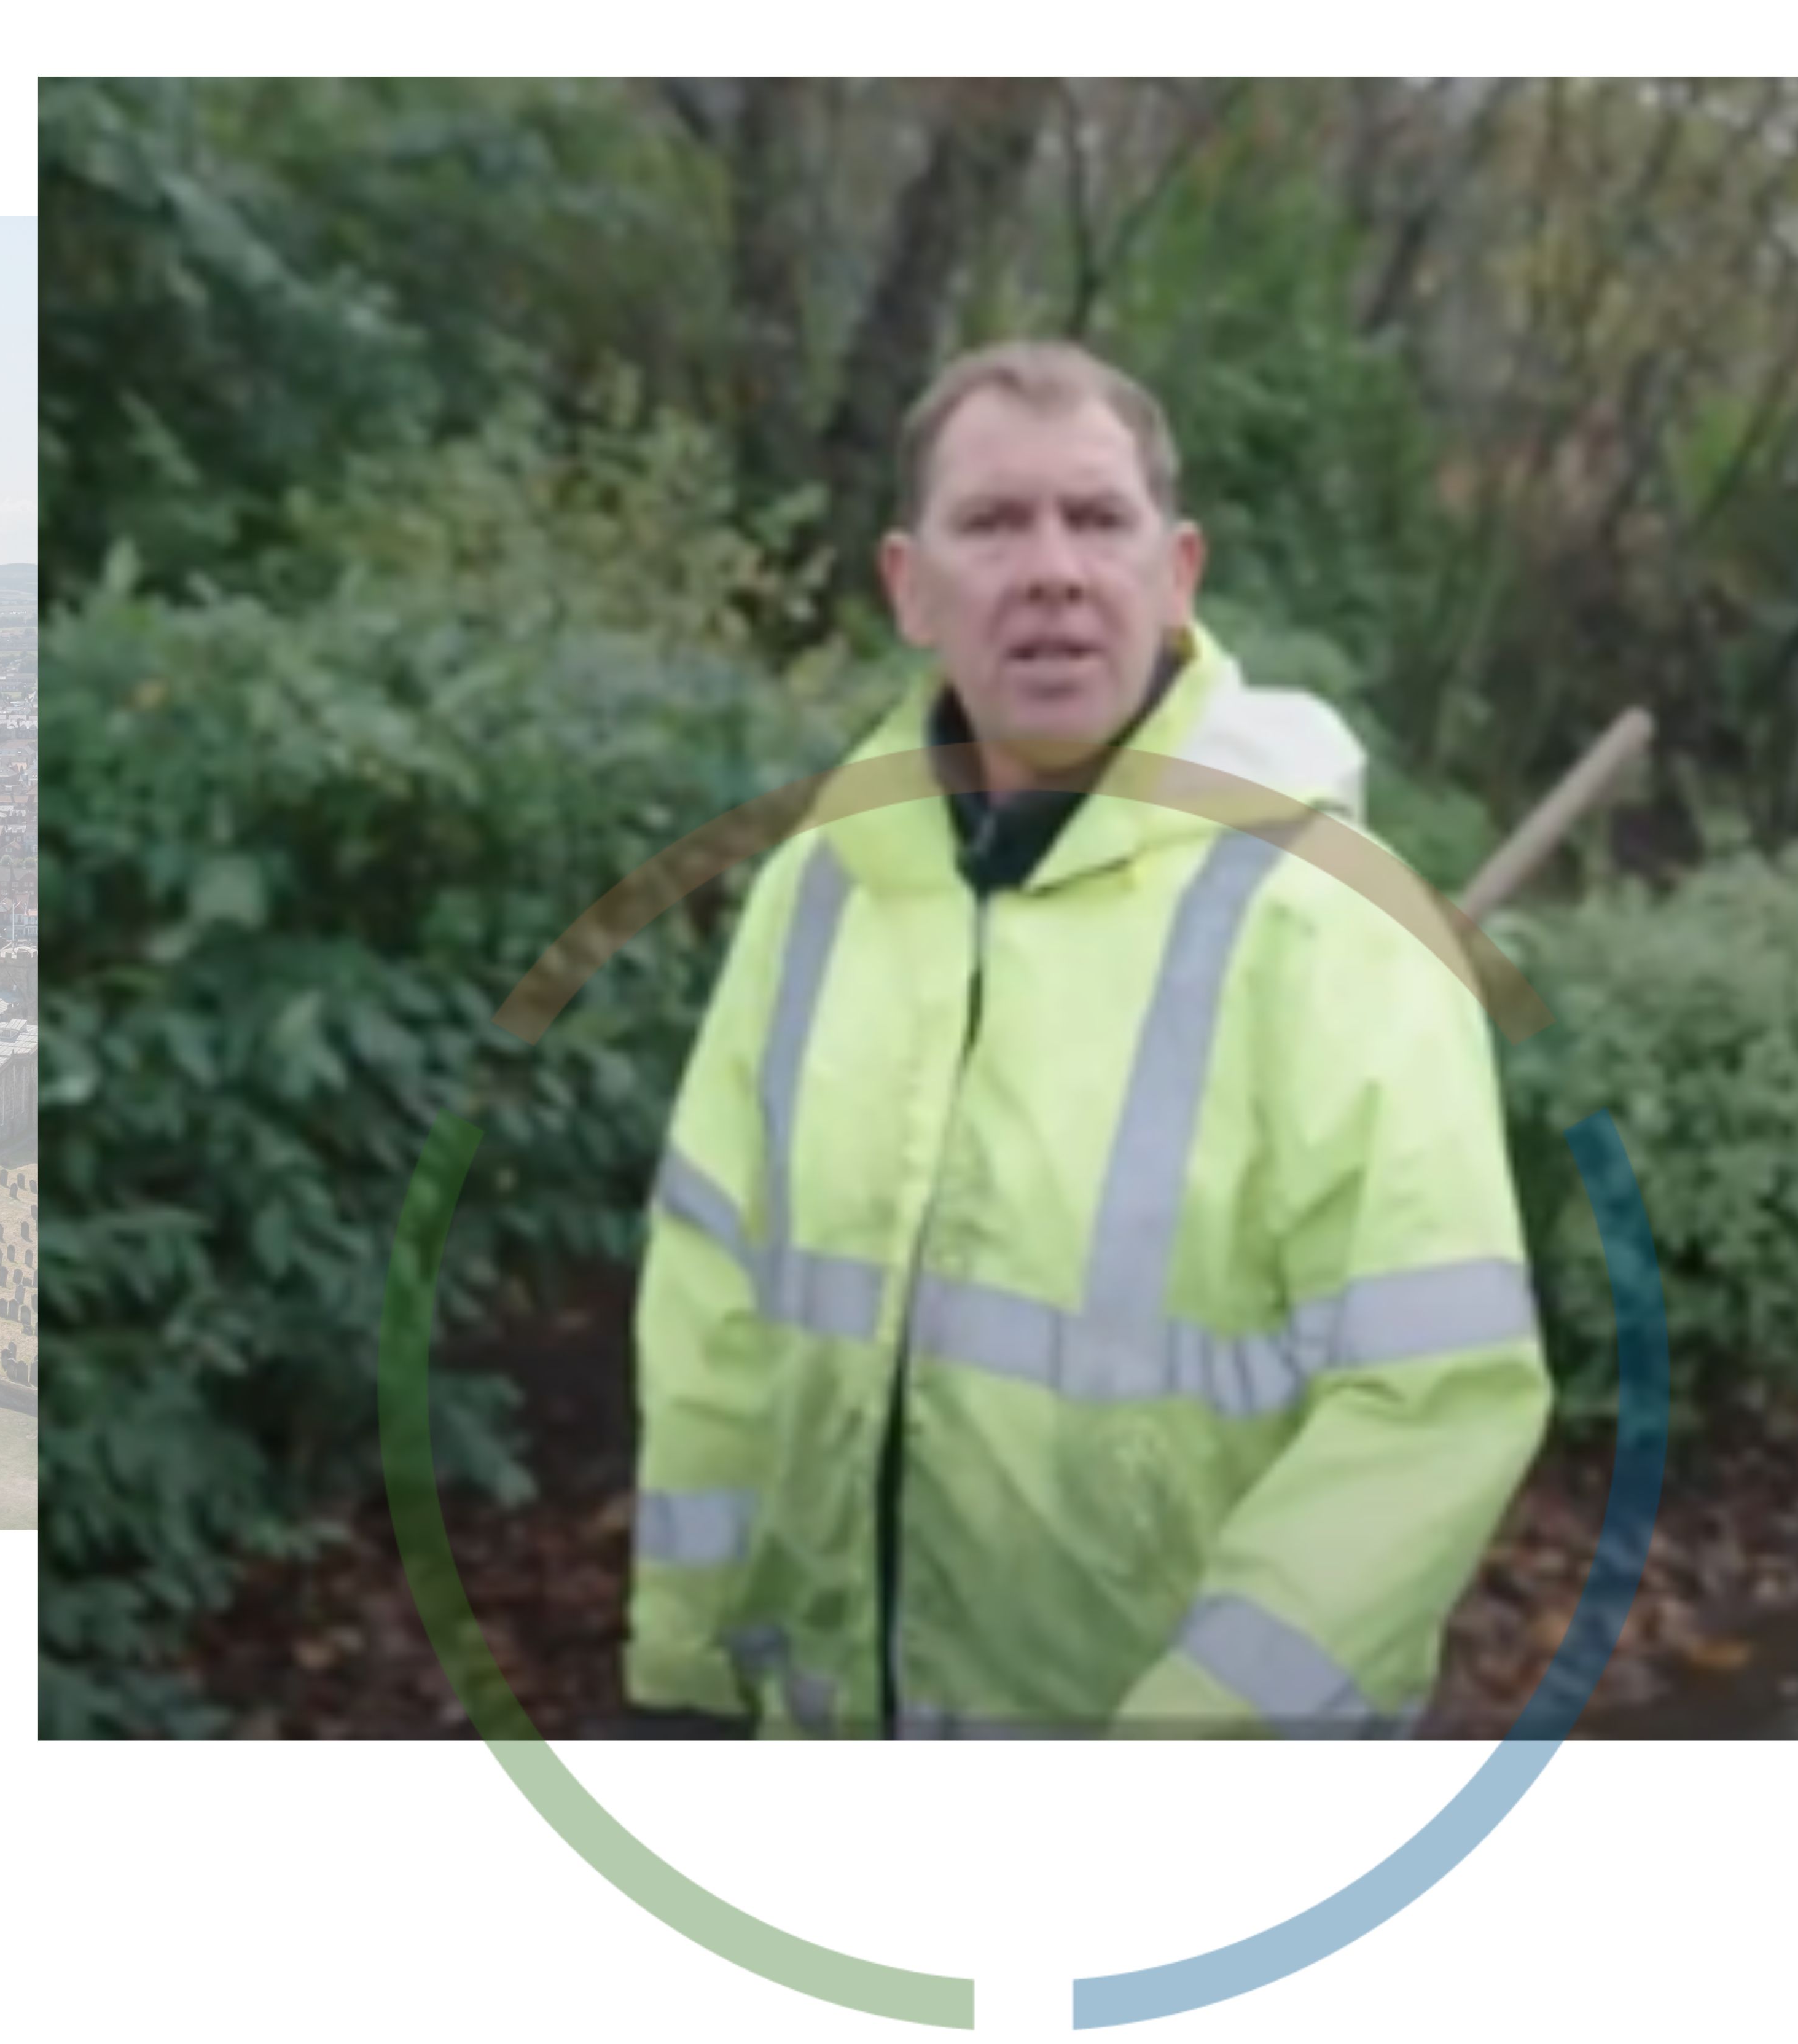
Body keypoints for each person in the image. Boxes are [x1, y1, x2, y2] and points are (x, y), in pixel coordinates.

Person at [616, 339, 1552, 1740]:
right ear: (908, 588)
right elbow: (713, 1303)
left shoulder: (1329, 918)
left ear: (1175, 578)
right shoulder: (819, 891)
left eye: (1096, 519)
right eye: (993, 522)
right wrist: (683, 1673)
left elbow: (1431, 1398)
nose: (1052, 568)